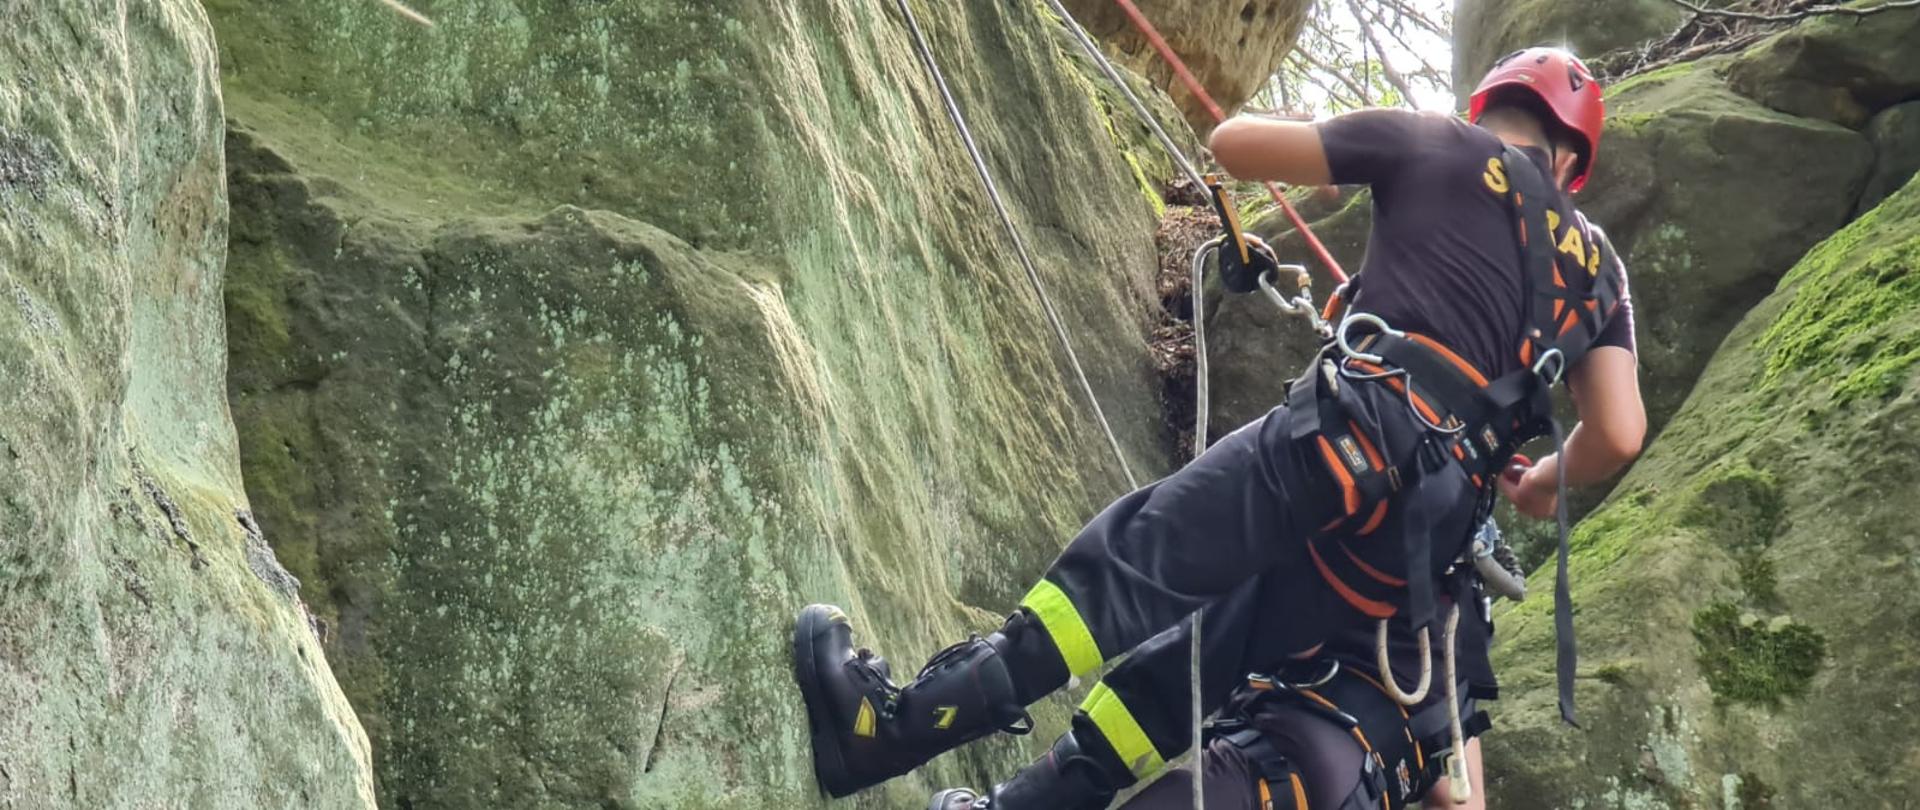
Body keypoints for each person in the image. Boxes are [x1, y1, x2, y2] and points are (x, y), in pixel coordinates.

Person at [792, 46, 1644, 808]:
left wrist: (1345, 149)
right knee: (1209, 648)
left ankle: (889, 730)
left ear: (1486, 106)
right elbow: (1618, 432)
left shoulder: (1435, 140)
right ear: (1571, 160)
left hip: (1349, 437)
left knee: (1131, 565)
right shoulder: (1601, 270)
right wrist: (1539, 486)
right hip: (1423, 536)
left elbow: (1235, 145)